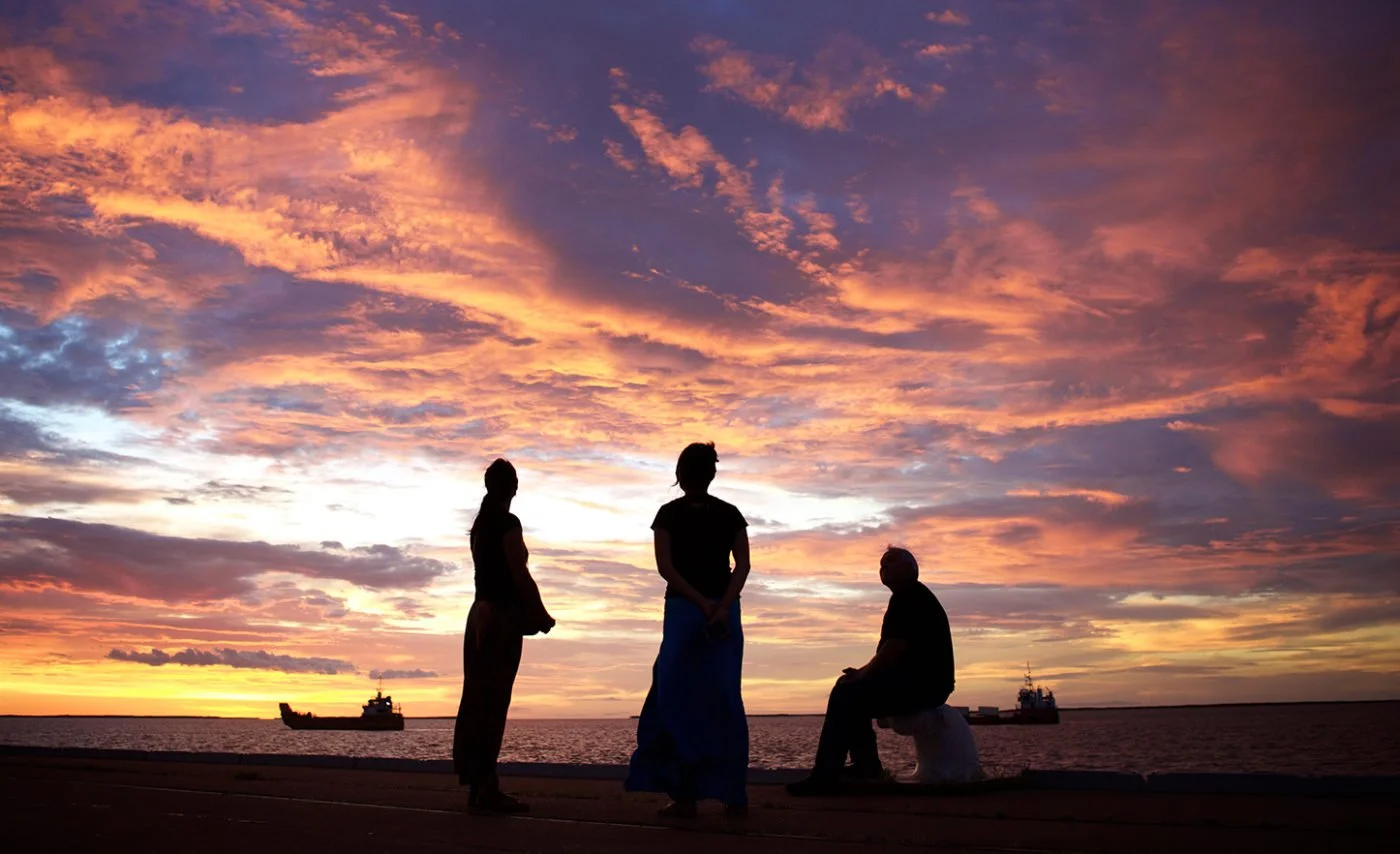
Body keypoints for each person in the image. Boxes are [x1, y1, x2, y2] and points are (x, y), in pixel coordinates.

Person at [626, 442, 751, 818]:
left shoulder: (668, 514)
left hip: (686, 610)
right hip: (720, 612)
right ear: (711, 473)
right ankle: (732, 792)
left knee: (674, 699)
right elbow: (742, 567)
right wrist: (722, 606)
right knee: (723, 698)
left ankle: (684, 794)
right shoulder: (730, 514)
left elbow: (666, 567)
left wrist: (703, 604)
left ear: (681, 474)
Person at [786, 547, 955, 796]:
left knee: (846, 693)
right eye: (880, 565)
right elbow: (893, 652)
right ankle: (865, 766)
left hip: (923, 686)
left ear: (910, 568)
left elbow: (894, 648)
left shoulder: (908, 597)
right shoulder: (912, 596)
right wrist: (863, 675)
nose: (883, 568)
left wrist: (864, 674)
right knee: (850, 690)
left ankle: (828, 774)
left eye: (889, 562)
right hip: (922, 683)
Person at [452, 458, 555, 814]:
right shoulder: (507, 523)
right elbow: (518, 572)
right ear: (513, 488)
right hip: (499, 618)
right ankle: (486, 789)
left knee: (478, 699)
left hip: (479, 614)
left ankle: (479, 785)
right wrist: (540, 614)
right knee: (493, 702)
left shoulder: (480, 525)